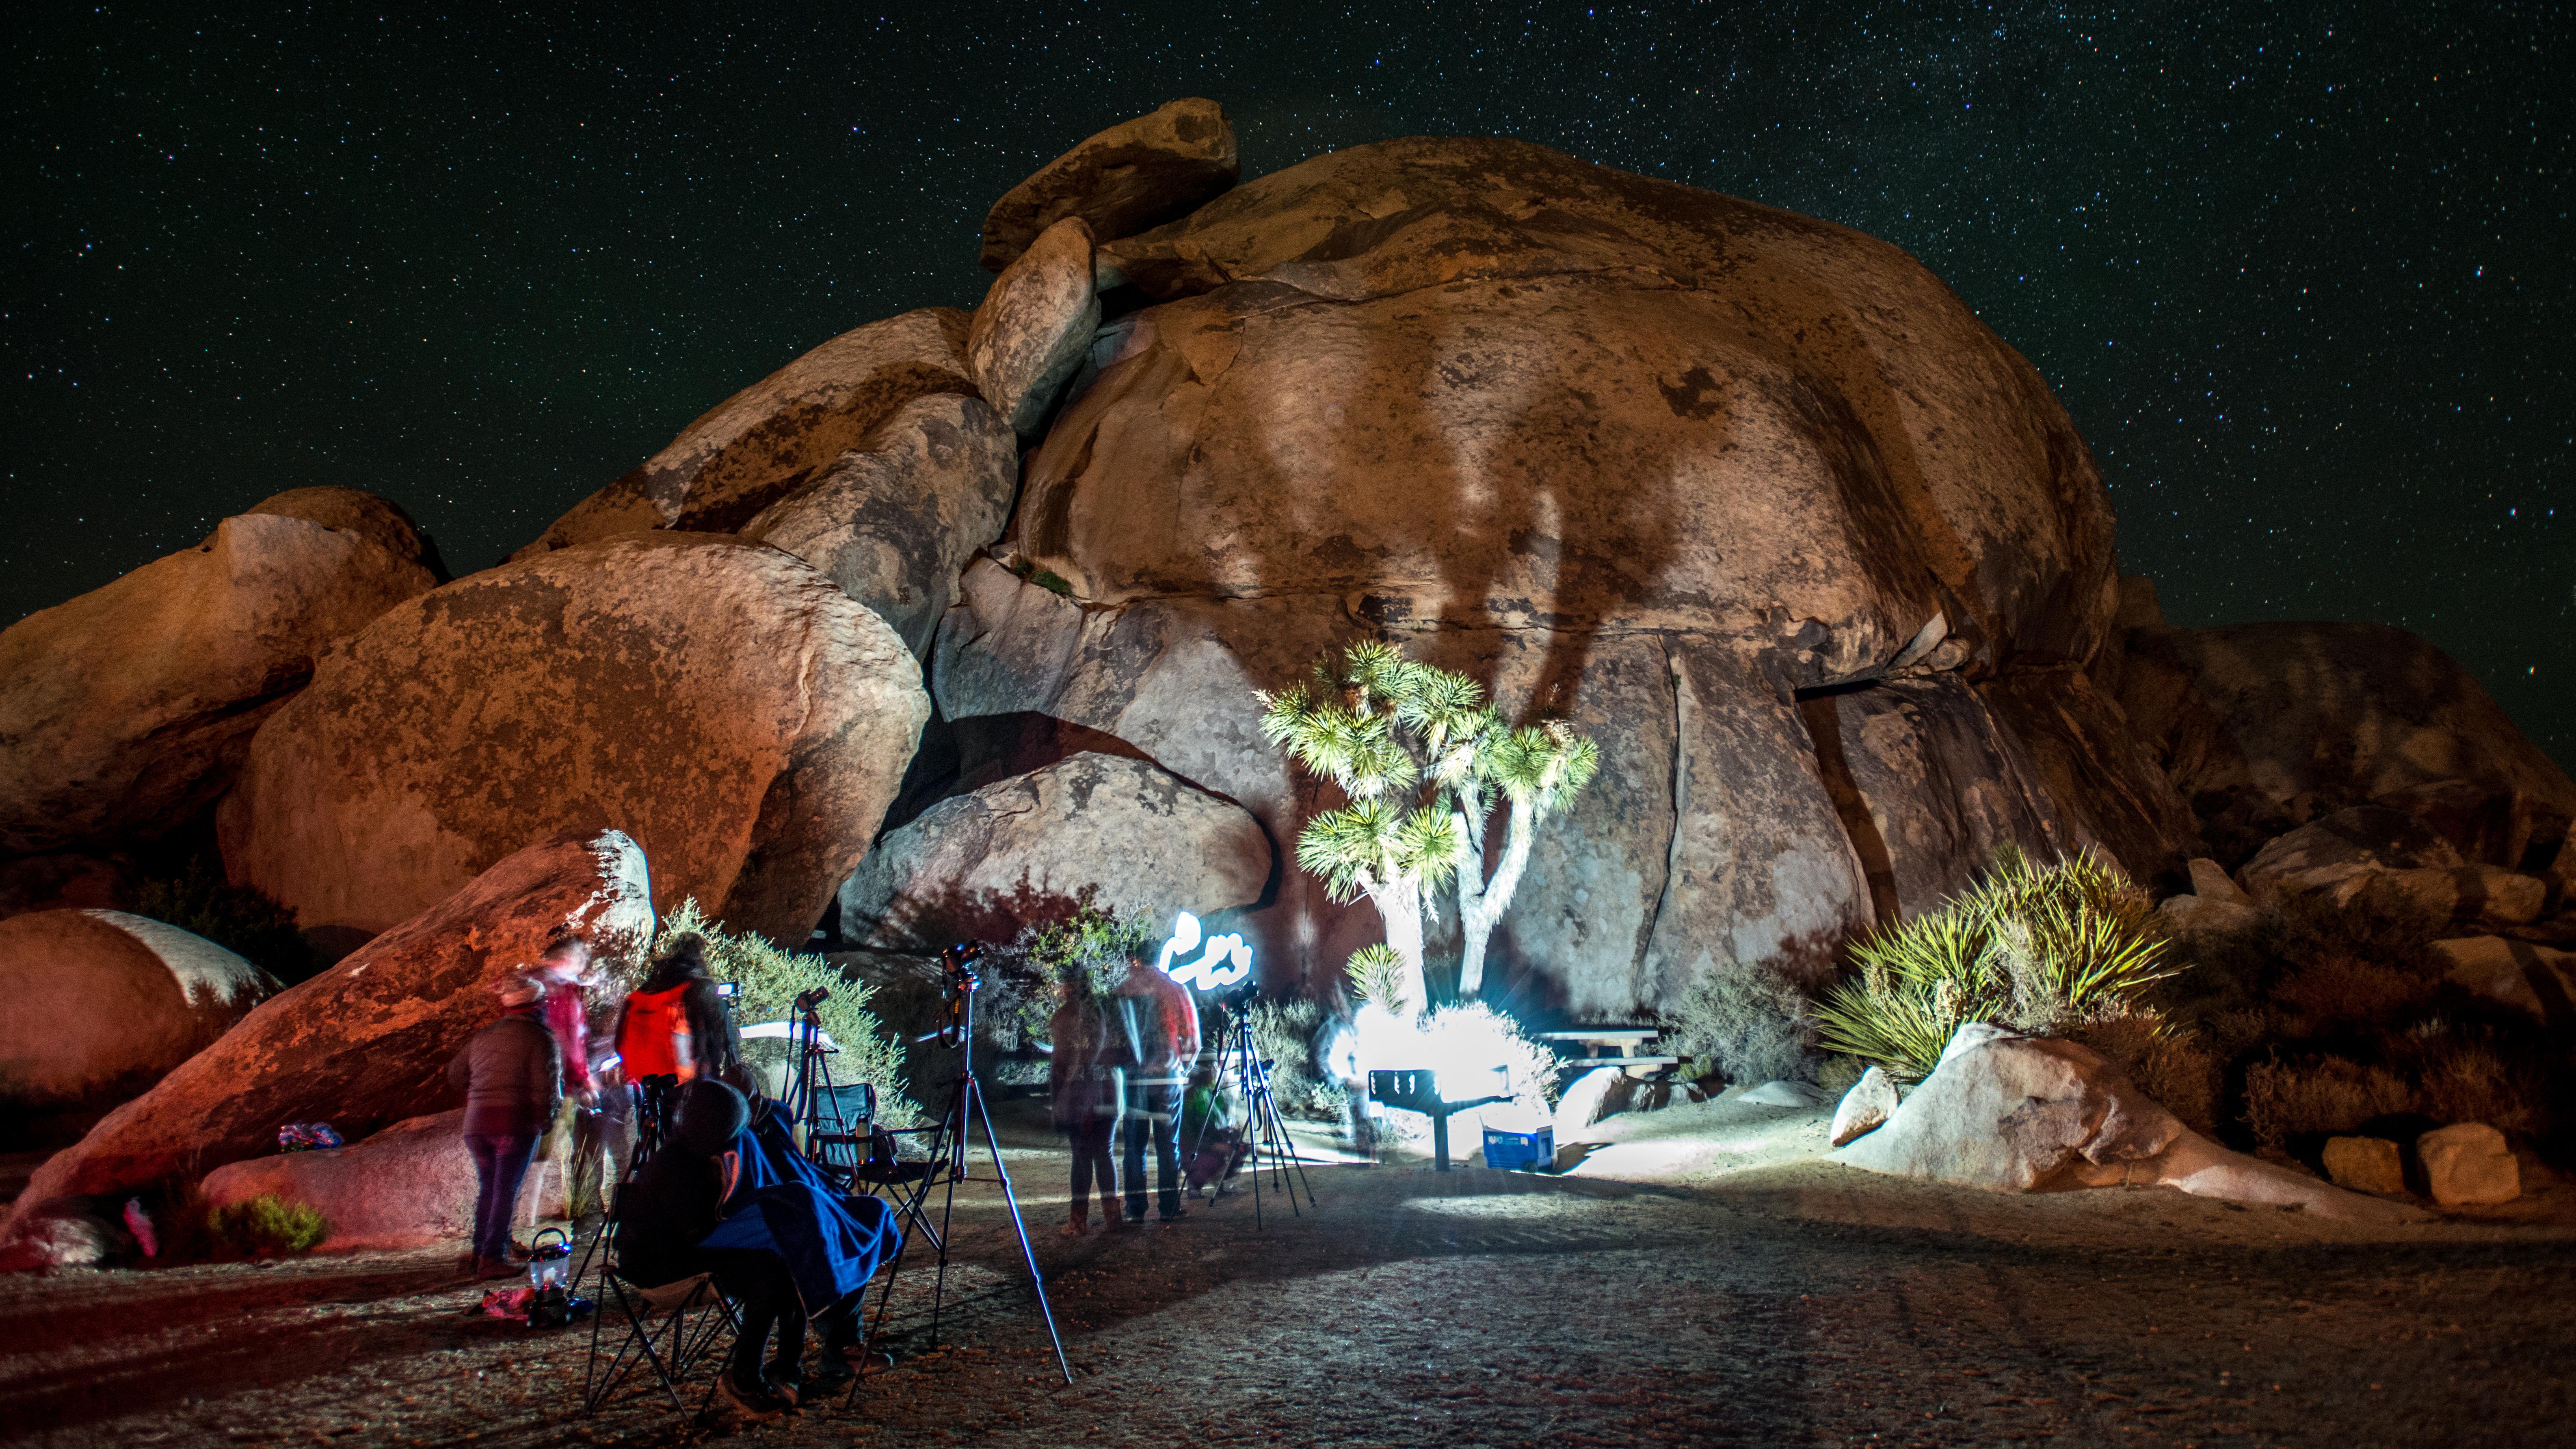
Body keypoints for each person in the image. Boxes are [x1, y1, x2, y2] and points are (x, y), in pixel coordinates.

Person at [615, 1080, 897, 1419]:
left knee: (785, 1252)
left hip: (681, 1249)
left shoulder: (695, 1151)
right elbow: (695, 1231)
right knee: (770, 1271)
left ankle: (788, 1367)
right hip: (657, 1266)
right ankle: (745, 1380)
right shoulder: (674, 1167)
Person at [447, 970, 562, 1278]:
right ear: (536, 1006)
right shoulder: (540, 1038)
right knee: (504, 1190)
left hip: (476, 1124)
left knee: (489, 1189)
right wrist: (546, 1122)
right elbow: (546, 1088)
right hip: (513, 1124)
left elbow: (456, 1075)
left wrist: (480, 1094)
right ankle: (492, 1259)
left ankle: (479, 1253)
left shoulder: (482, 1035)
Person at [614, 933, 742, 1153]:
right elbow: (724, 1042)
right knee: (690, 1147)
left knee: (654, 1145)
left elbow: (619, 1043)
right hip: (686, 1085)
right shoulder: (698, 988)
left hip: (645, 1083)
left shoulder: (646, 990)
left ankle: (649, 1176)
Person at [1111, 951, 1200, 1225]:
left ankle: (1135, 1208)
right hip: (1167, 1076)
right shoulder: (1175, 989)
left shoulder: (1123, 990)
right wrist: (1183, 1067)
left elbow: (1114, 1035)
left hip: (1136, 1077)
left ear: (1137, 959)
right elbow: (1192, 1037)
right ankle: (1168, 1206)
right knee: (1168, 1144)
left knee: (1134, 1145)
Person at [1047, 961, 1122, 1235]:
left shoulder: (1065, 1017)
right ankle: (1113, 1218)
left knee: (1081, 1156)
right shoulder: (1101, 1011)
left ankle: (1078, 1222)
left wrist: (1057, 1100)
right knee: (1105, 1153)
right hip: (1109, 1090)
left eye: (1062, 982)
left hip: (1080, 1095)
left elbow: (1060, 1062)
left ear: (1069, 985)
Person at [1180, 1066, 1252, 1199]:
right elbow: (1188, 1137)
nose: (1217, 1072)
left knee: (1241, 1149)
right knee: (1215, 1158)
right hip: (1195, 1149)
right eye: (1213, 1068)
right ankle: (1195, 1184)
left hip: (1214, 1140)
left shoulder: (1216, 1094)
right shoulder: (1191, 1097)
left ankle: (1220, 1184)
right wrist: (1216, 1146)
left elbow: (1223, 1121)